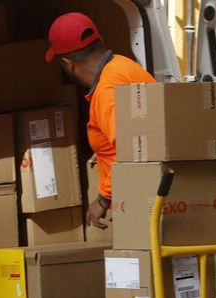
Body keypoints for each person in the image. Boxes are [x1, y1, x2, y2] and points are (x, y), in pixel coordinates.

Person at [45, 12, 156, 229]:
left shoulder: (107, 90)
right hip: (152, 195)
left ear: (68, 65)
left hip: (141, 203)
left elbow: (130, 150)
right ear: (101, 42)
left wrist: (103, 199)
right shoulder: (123, 65)